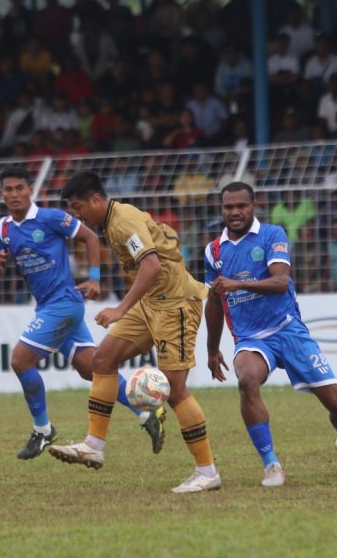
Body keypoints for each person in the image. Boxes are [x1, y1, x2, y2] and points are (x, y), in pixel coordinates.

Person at [203, 182, 337, 487]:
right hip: (251, 339)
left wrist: (237, 284)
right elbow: (214, 302)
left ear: (253, 206)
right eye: (228, 206)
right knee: (247, 380)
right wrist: (211, 349)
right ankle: (271, 465)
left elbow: (279, 282)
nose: (234, 212)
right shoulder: (213, 251)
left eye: (241, 206)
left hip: (289, 330)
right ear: (222, 209)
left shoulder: (272, 234)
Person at [49, 172, 220, 494]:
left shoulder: (123, 221)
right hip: (151, 303)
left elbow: (151, 266)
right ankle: (93, 446)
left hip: (175, 305)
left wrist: (121, 308)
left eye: (78, 207)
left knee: (177, 390)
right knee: (103, 359)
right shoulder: (116, 220)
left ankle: (207, 471)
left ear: (96, 200)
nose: (77, 216)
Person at [0, 168, 163, 460]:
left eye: (20, 188)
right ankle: (146, 413)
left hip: (64, 303)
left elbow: (91, 238)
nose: (14, 194)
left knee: (20, 361)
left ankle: (43, 430)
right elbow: (0, 269)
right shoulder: (4, 228)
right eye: (8, 190)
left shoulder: (51, 217)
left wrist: (94, 278)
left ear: (30, 190)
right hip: (46, 305)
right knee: (91, 368)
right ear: (1, 194)